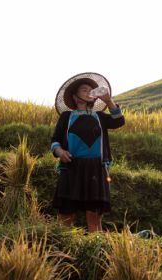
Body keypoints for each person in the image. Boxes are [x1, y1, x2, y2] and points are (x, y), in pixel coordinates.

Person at [51, 73, 125, 232]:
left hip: (96, 170)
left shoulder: (100, 117)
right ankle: (61, 251)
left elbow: (119, 121)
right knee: (65, 216)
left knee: (94, 218)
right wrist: (60, 151)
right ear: (75, 97)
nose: (89, 92)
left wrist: (108, 101)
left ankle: (95, 252)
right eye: (85, 90)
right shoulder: (67, 116)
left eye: (91, 90)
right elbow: (55, 140)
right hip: (71, 167)